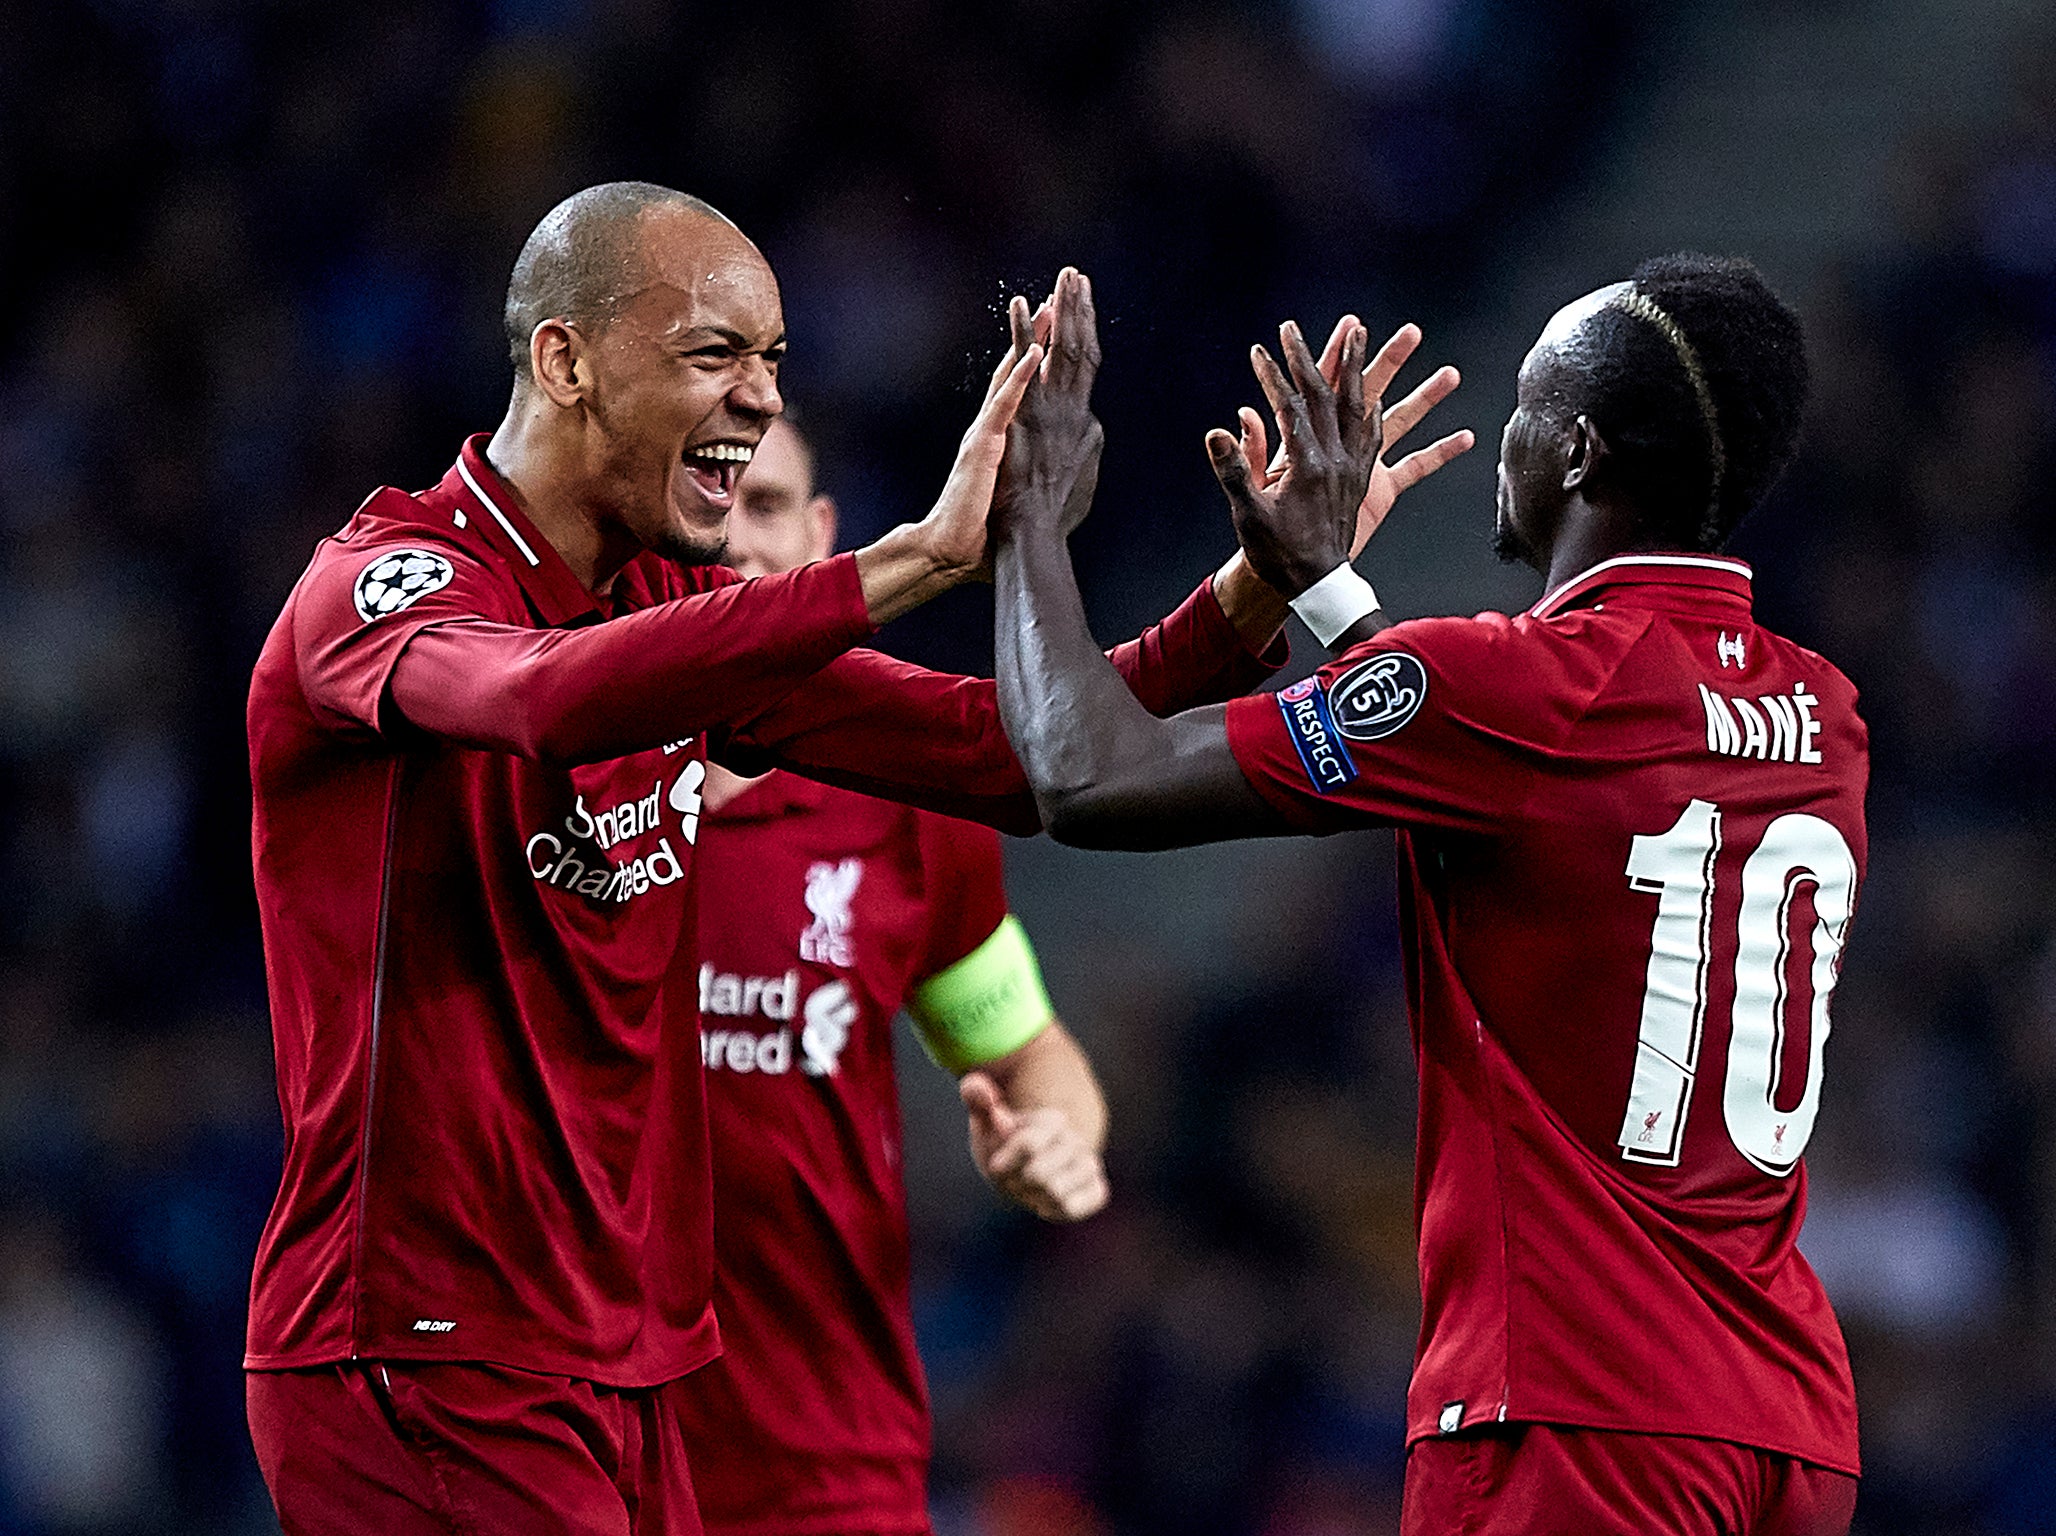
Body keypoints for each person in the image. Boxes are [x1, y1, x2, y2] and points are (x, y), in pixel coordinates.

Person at [239, 183, 1311, 1535]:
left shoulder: (671, 610)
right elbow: (545, 701)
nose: (756, 397)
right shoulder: (380, 587)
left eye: (773, 361)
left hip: (624, 1366)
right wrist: (914, 560)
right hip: (425, 1348)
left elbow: (1009, 755)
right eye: (712, 354)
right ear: (564, 360)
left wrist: (1256, 590)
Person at [989, 262, 1865, 1535]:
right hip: (1786, 1429)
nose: (1505, 438)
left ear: (1572, 451)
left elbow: (1081, 773)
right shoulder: (1823, 714)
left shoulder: (1522, 690)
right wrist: (1326, 593)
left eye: (1522, 406)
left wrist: (1030, 516)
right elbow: (1525, 776)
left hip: (1574, 1424)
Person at [669, 416, 1108, 1536]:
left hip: (825, 1467)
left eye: (767, 507)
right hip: (568, 1455)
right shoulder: (542, 774)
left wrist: (1053, 1137)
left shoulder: (902, 793)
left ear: (822, 539)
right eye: (707, 503)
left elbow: (1024, 1049)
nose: (736, 544)